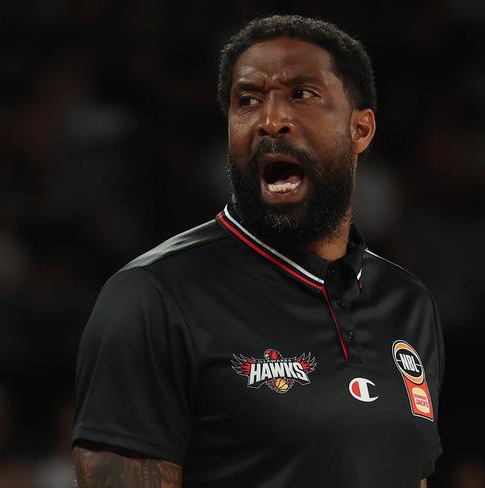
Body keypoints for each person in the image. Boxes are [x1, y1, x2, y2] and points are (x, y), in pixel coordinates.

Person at [72, 14, 444, 488]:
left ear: (361, 129)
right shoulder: (153, 296)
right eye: (247, 101)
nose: (270, 120)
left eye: (301, 94)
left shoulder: (408, 303)